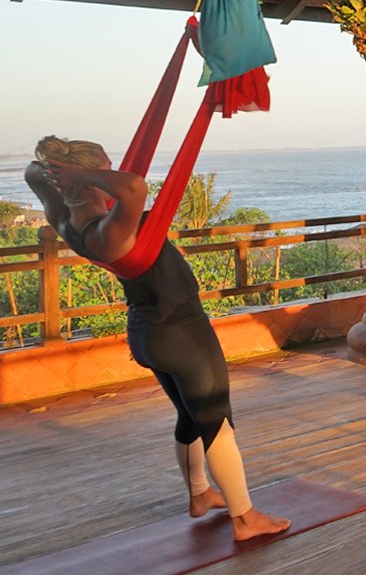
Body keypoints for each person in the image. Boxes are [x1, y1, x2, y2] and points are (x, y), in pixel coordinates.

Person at [26, 136, 289, 541]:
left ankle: (200, 495)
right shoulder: (109, 232)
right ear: (90, 180)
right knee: (217, 420)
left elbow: (32, 174)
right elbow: (133, 187)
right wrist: (77, 173)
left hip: (148, 333)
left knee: (190, 416)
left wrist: (63, 175)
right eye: (106, 170)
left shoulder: (63, 218)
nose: (115, 174)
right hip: (181, 331)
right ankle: (244, 518)